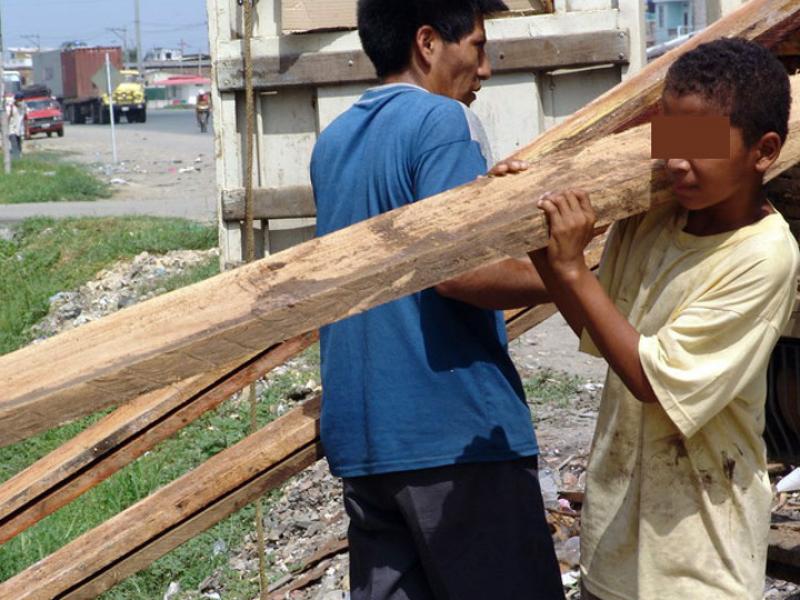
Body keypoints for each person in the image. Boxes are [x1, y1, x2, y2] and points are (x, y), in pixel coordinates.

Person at [310, 0, 564, 598]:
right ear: (428, 43)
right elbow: (458, 274)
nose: (486, 69)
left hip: (367, 444)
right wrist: (577, 273)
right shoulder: (441, 120)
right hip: (453, 435)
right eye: (477, 46)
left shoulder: (335, 140)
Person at [530, 38, 799, 600]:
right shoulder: (652, 218)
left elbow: (652, 379)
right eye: (670, 138)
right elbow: (601, 329)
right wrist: (532, 216)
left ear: (764, 150)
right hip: (615, 547)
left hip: (698, 563)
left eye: (700, 144)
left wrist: (574, 270)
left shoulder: (762, 255)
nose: (677, 160)